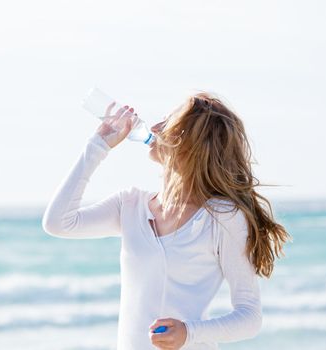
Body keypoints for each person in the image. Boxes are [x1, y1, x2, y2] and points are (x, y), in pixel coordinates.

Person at [42, 92, 290, 350]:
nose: (155, 127)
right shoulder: (131, 205)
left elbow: (250, 317)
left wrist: (188, 333)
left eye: (168, 122)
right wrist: (98, 145)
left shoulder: (222, 216)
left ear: (191, 143)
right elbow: (58, 223)